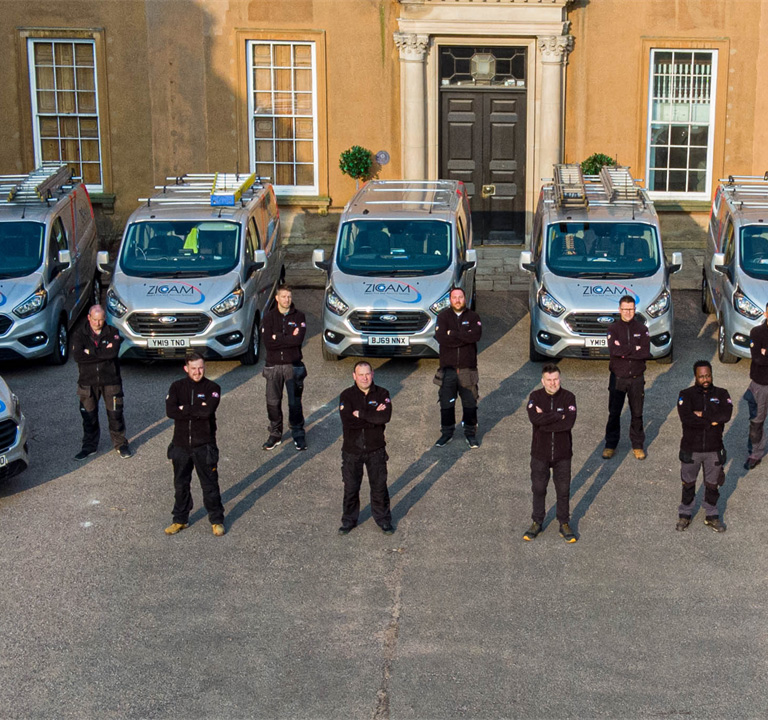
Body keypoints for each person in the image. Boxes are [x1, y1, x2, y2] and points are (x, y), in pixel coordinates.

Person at [164, 352, 226, 537]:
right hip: (180, 446)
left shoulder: (213, 387)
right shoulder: (176, 387)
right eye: (193, 368)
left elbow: (207, 411)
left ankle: (216, 521)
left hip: (204, 446)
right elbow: (170, 411)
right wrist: (195, 409)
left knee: (210, 486)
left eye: (200, 368)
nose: (197, 372)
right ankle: (180, 520)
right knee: (181, 485)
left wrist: (184, 408)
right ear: (186, 369)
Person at [523, 364, 578, 543]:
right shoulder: (535, 397)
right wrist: (557, 416)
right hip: (540, 453)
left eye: (555, 379)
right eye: (549, 380)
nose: (553, 383)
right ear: (542, 381)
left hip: (563, 454)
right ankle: (537, 522)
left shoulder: (569, 397)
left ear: (559, 379)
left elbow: (568, 424)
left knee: (563, 490)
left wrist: (546, 417)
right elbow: (534, 419)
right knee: (538, 488)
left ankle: (564, 523)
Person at [338, 361, 393, 536]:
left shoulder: (383, 393)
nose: (364, 378)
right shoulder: (346, 396)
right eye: (360, 374)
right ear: (354, 376)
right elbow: (348, 421)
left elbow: (385, 417)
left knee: (379, 487)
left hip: (376, 450)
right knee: (351, 487)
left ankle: (383, 520)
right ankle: (348, 521)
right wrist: (373, 417)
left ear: (373, 374)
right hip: (352, 451)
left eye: (367, 374)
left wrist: (361, 414)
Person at [676, 361, 732, 533]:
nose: (705, 379)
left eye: (708, 375)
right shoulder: (685, 394)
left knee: (712, 484)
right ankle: (685, 514)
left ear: (711, 374)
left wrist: (703, 415)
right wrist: (712, 421)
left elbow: (726, 415)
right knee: (688, 483)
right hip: (690, 449)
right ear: (696, 377)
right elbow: (686, 418)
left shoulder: (722, 394)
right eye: (701, 376)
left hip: (714, 449)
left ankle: (712, 515)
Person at [71, 304, 132, 460]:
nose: (98, 323)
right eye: (95, 320)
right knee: (88, 417)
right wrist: (101, 353)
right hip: (87, 382)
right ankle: (89, 446)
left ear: (105, 318)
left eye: (101, 320)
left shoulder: (113, 332)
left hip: (111, 380)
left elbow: (111, 353)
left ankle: (121, 444)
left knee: (115, 414)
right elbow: (78, 356)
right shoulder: (79, 334)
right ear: (89, 318)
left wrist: (90, 351)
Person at [602, 295, 650, 460]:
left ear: (634, 310)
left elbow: (645, 352)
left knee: (637, 413)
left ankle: (637, 445)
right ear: (619, 310)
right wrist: (633, 349)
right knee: (614, 413)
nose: (628, 312)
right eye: (625, 309)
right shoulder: (613, 329)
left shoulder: (642, 329)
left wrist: (625, 349)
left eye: (631, 309)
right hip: (618, 378)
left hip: (636, 378)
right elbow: (614, 351)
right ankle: (610, 445)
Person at [260, 285, 308, 451]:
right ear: (277, 298)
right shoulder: (268, 317)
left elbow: (298, 340)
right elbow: (268, 343)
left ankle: (298, 432)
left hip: (292, 366)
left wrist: (277, 337)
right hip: (273, 366)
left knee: (295, 403)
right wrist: (287, 337)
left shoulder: (300, 316)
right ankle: (275, 433)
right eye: (283, 296)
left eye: (289, 296)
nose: (286, 300)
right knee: (272, 402)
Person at [434, 287, 482, 448]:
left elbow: (476, 335)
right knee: (446, 403)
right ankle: (446, 433)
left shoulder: (473, 316)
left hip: (468, 369)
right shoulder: (442, 317)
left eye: (460, 297)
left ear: (465, 298)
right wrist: (464, 336)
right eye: (454, 297)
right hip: (447, 370)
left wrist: (453, 334)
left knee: (470, 403)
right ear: (450, 300)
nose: (457, 300)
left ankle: (470, 433)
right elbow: (442, 338)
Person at [744, 303, 768, 470]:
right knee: (757, 421)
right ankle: (755, 453)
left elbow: (763, 358)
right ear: (766, 313)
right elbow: (758, 360)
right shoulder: (757, 333)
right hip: (761, 385)